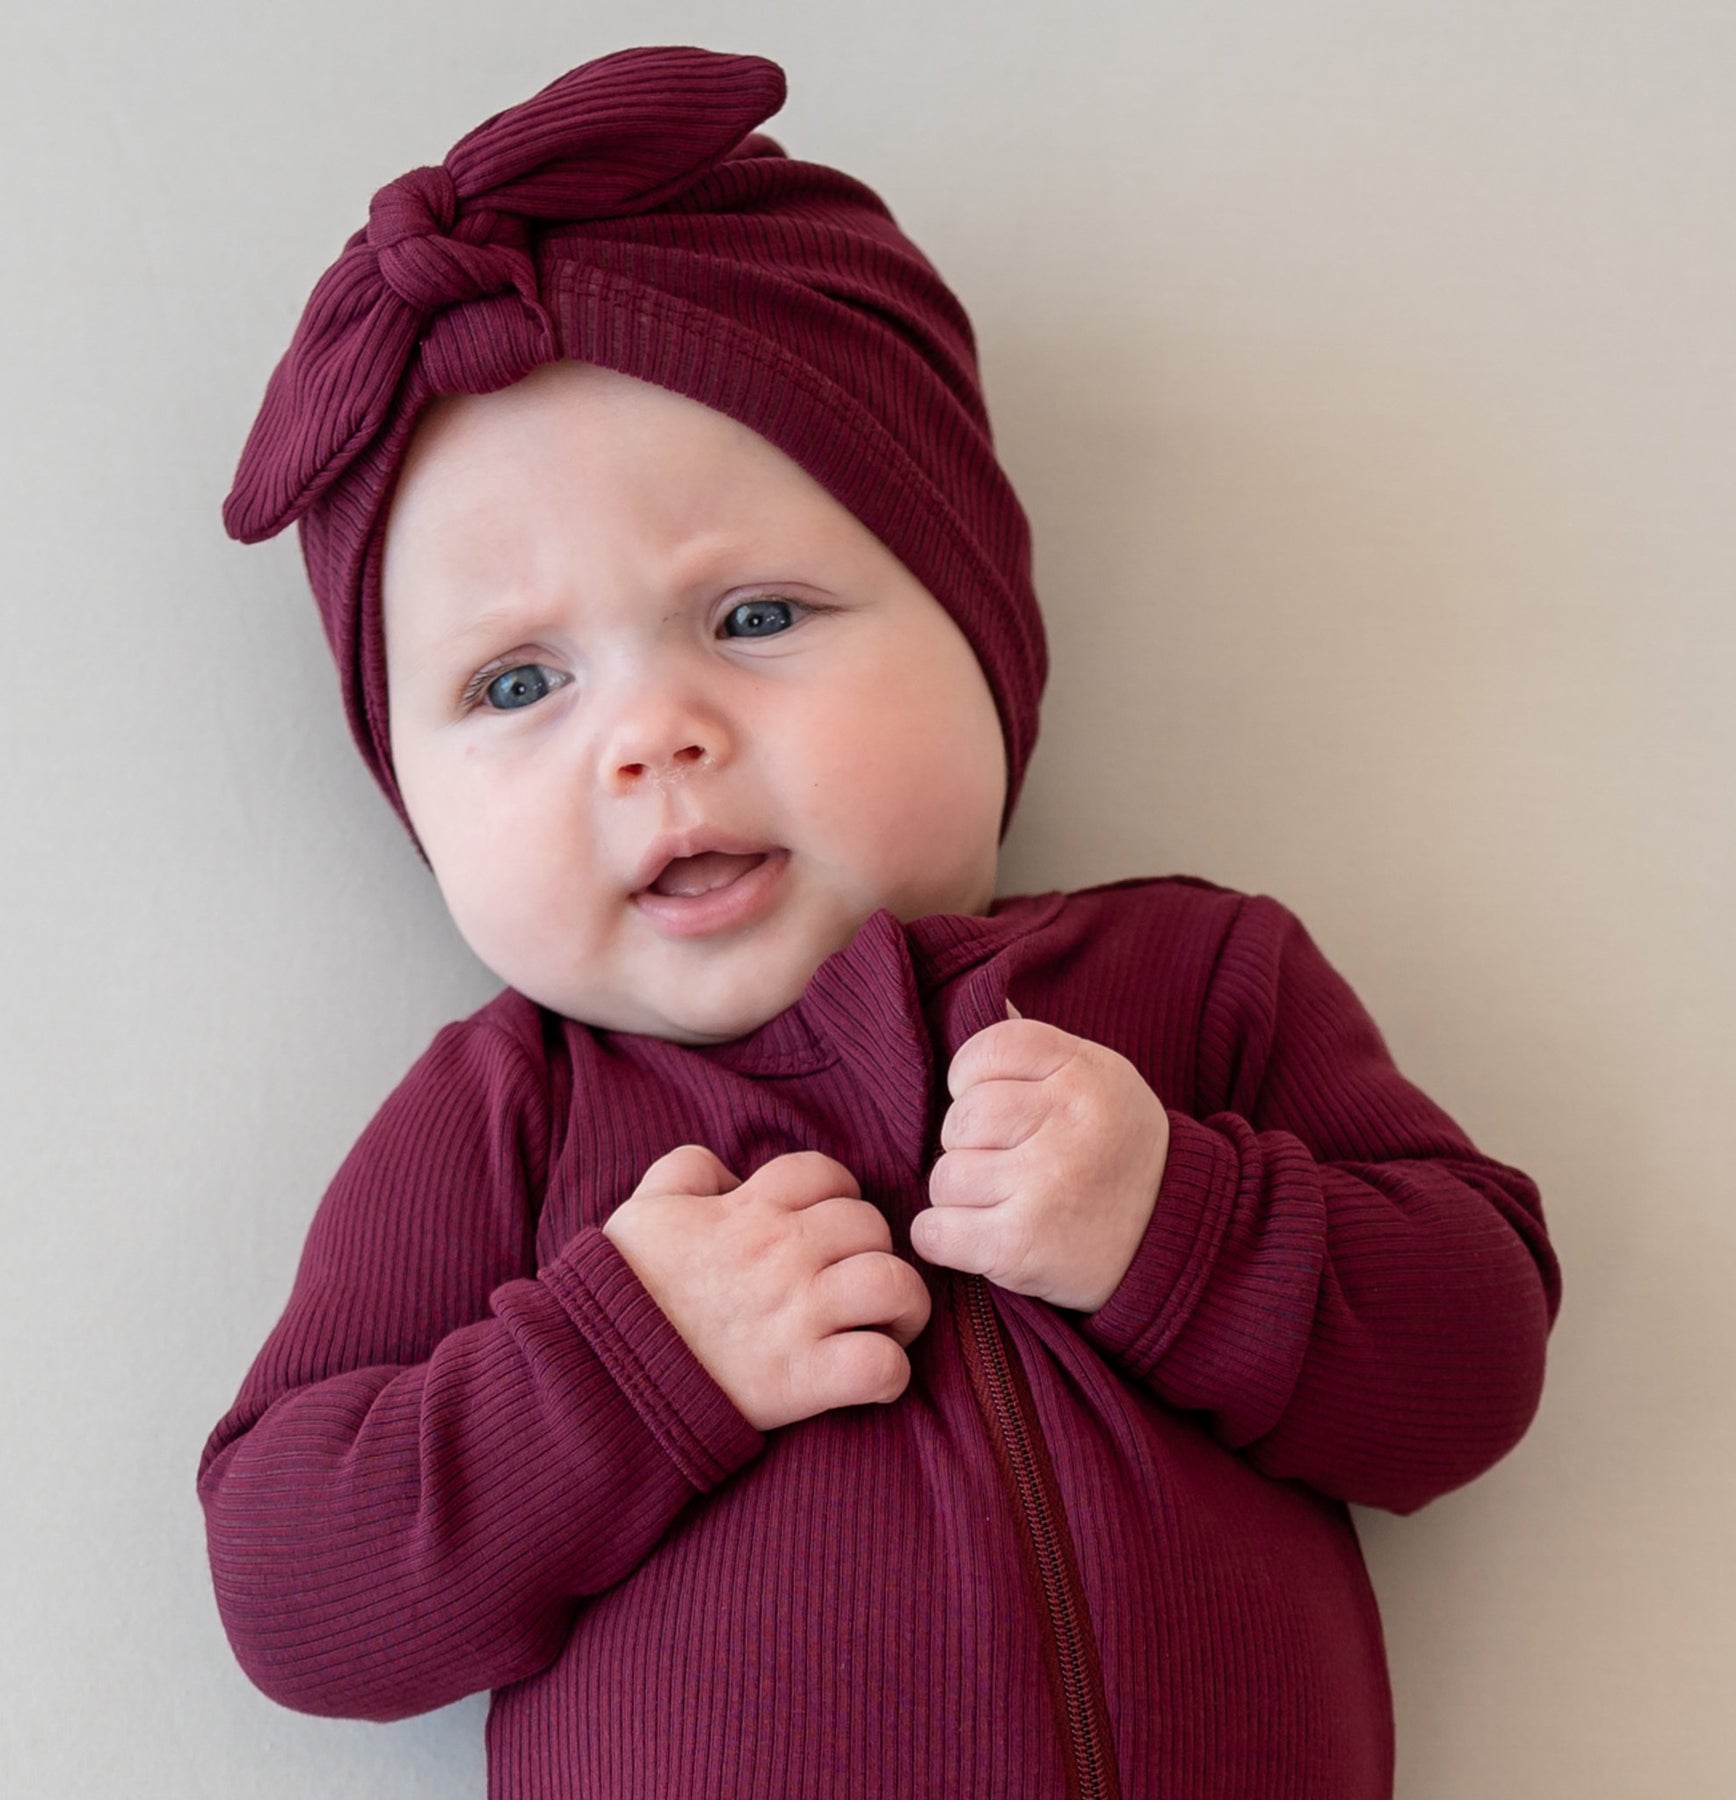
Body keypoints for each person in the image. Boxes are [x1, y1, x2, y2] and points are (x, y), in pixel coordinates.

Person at [200, 45, 1560, 1800]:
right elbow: (295, 1595)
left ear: (983, 638)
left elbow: (1471, 1374)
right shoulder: (509, 1116)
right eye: (518, 680)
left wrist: (1185, 1224)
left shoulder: (1195, 985)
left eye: (756, 613)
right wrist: (628, 1364)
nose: (651, 735)